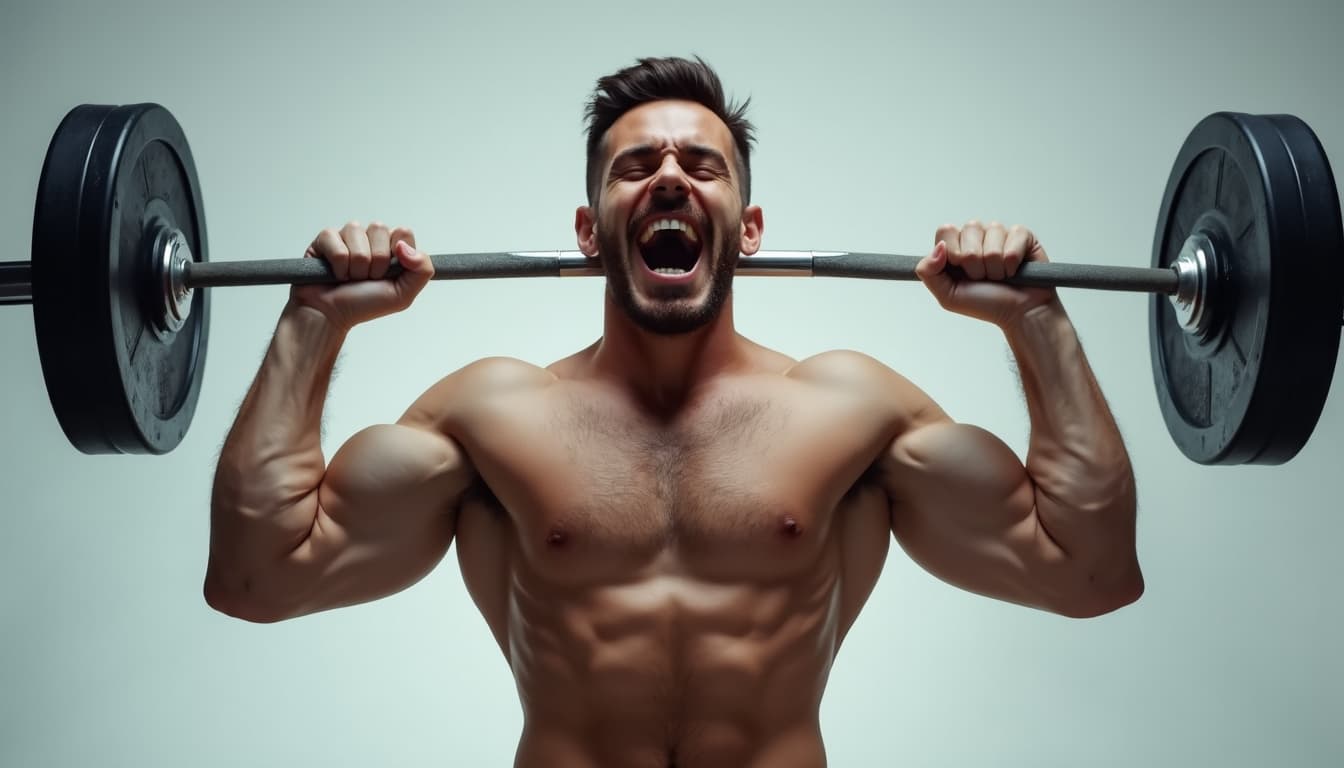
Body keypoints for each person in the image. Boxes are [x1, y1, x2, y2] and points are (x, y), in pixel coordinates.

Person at [204, 56, 1143, 767]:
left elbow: (1087, 571)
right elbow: (258, 578)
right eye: (633, 166)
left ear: (751, 226)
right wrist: (313, 320)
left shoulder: (850, 412)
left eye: (703, 164)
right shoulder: (491, 418)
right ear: (588, 231)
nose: (669, 179)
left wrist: (1035, 319)